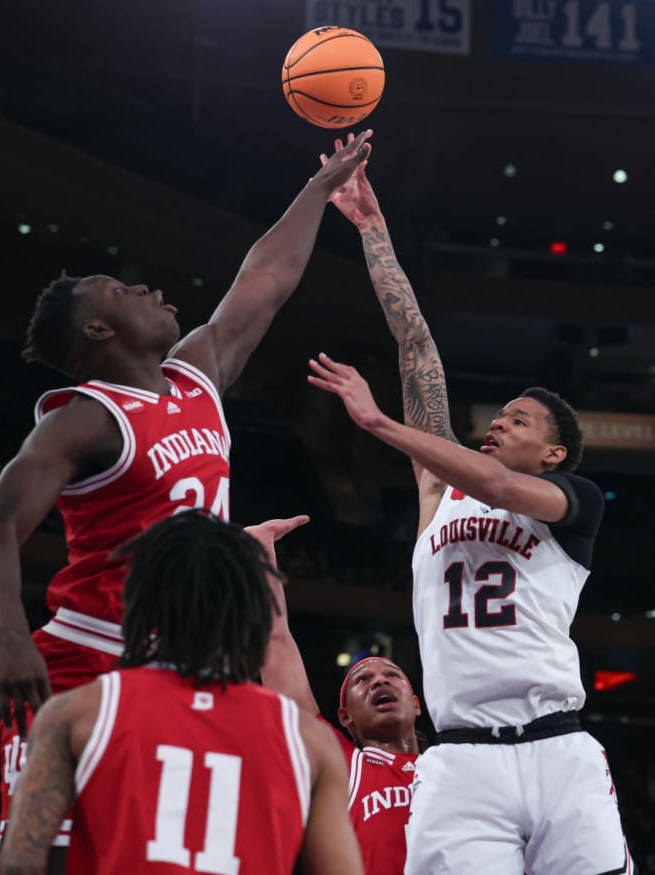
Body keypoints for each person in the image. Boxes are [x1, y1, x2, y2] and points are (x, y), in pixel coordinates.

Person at [0, 129, 373, 855]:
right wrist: (8, 636)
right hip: (84, 657)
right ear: (98, 328)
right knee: (54, 855)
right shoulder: (85, 418)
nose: (150, 290)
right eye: (123, 291)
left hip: (185, 663)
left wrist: (318, 189)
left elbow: (266, 280)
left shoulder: (198, 374)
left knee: (166, 853)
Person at [308, 148, 634, 874]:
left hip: (558, 747)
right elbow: (417, 344)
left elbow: (503, 489)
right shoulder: (438, 485)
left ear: (555, 454)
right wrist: (372, 230)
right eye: (500, 416)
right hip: (459, 759)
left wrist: (379, 424)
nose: (499, 424)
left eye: (520, 421)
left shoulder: (570, 503)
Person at [0, 510, 364, 875]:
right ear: (248, 611)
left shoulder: (77, 713)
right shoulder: (306, 740)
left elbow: (20, 865)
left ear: (140, 602)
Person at [255, 518, 422, 875]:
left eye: (392, 675)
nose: (380, 682)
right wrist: (260, 557)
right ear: (344, 716)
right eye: (363, 680)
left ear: (417, 703)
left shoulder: (453, 765)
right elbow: (276, 645)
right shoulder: (342, 765)